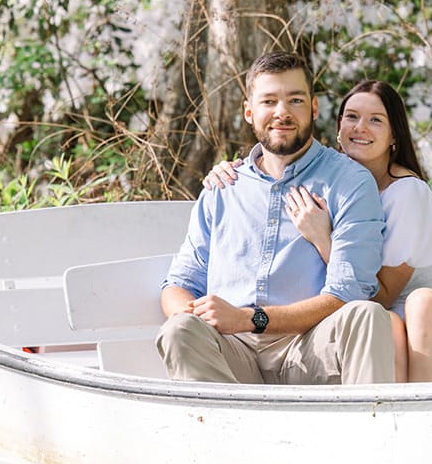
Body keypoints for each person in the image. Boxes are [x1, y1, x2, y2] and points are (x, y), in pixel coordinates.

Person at [208, 79, 432, 382]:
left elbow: (380, 296)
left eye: (376, 120)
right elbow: (272, 175)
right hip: (370, 324)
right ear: (338, 127)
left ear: (394, 134)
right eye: (352, 117)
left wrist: (323, 239)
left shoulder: (407, 194)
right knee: (378, 326)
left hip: (424, 326)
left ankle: (423, 423)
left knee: (397, 314)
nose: (361, 127)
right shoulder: (333, 182)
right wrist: (237, 171)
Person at [156, 52, 396, 385]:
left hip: (309, 348)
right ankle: (232, 434)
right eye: (269, 100)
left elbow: (348, 293)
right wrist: (196, 316)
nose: (282, 112)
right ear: (249, 111)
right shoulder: (223, 187)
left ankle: (369, 434)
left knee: (365, 315)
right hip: (232, 352)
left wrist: (249, 318)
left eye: (294, 100)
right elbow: (179, 284)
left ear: (313, 108)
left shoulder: (349, 182)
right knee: (179, 329)